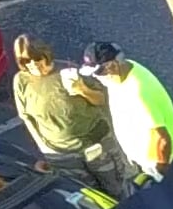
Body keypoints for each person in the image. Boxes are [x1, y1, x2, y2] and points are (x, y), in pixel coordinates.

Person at [11, 36, 117, 179]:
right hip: (61, 154)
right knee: (85, 194)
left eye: (37, 59)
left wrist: (82, 89)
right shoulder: (21, 80)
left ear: (46, 54)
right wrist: (44, 148)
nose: (33, 65)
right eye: (26, 61)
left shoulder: (69, 71)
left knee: (114, 183)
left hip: (94, 144)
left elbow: (101, 100)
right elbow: (27, 117)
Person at [81, 43, 173, 179]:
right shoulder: (121, 73)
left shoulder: (139, 91)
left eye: (98, 72)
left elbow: (162, 138)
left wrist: (161, 170)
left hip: (171, 160)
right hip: (150, 160)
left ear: (113, 65)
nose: (96, 77)